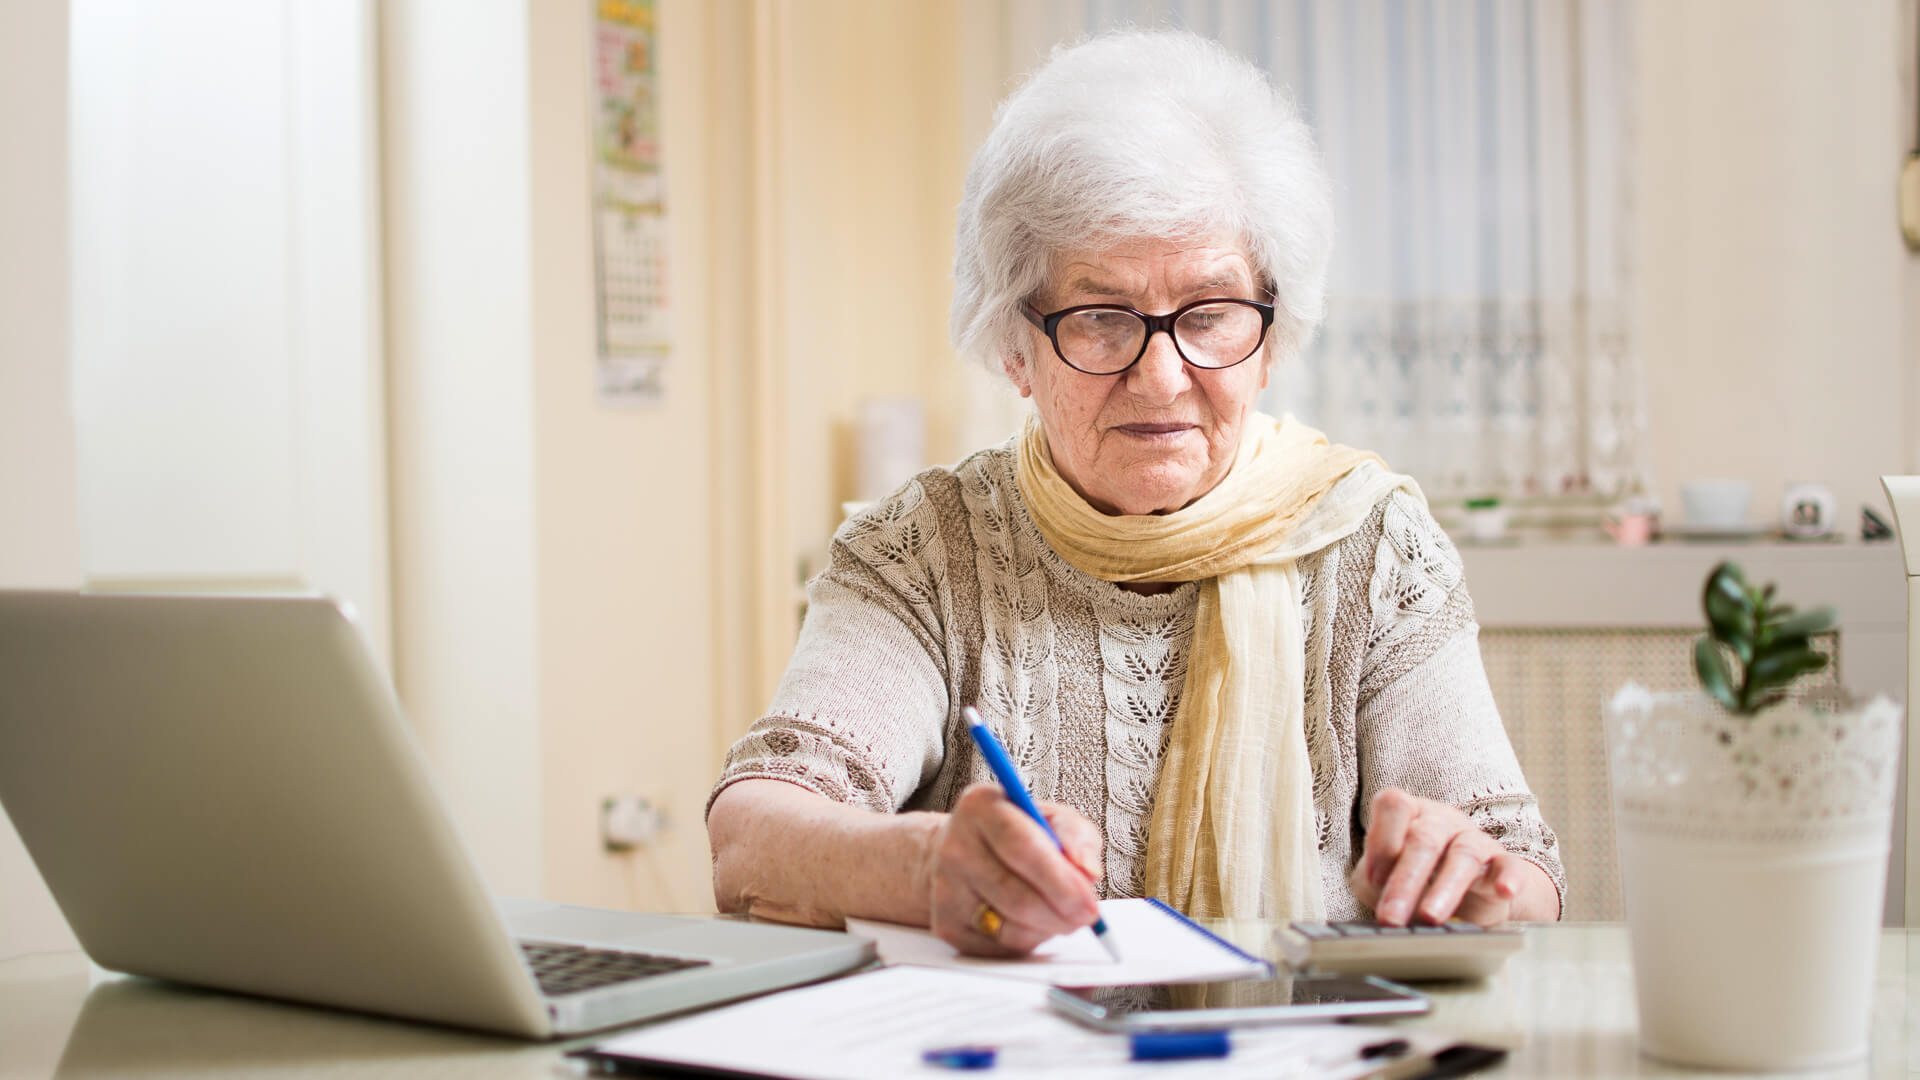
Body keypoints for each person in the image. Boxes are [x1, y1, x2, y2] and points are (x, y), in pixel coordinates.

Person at [706, 29, 1563, 957]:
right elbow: (751, 840)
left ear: (1273, 337)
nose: (1161, 378)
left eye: (1210, 312)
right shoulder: (925, 551)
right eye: (1102, 318)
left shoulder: (1374, 546)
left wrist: (1475, 882)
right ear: (1015, 346)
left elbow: (1524, 872)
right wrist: (921, 867)